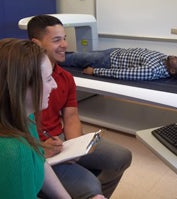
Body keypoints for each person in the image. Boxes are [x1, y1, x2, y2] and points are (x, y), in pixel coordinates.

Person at [27, 14, 132, 199]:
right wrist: (39, 148)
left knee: (121, 157)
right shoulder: (23, 80)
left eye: (65, 38)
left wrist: (75, 148)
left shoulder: (66, 78)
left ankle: (93, 194)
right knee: (91, 186)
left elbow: (71, 116)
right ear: (36, 44)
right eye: (56, 40)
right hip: (34, 146)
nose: (65, 45)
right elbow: (10, 132)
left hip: (59, 140)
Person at [0, 38, 71, 198]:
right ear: (20, 87)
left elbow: (39, 159)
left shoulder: (21, 116)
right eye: (48, 79)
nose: (54, 85)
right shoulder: (10, 152)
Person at [62, 48, 177, 81]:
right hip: (115, 52)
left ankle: (49, 58)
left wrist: (95, 71)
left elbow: (123, 74)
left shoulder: (152, 71)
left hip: (108, 61)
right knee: (79, 55)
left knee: (74, 58)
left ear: (172, 71)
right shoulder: (165, 59)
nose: (176, 57)